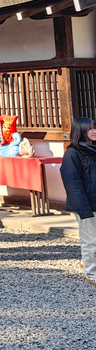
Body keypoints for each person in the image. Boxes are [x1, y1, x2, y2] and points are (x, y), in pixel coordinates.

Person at [61, 117, 96, 287]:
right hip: (86, 203)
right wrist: (83, 209)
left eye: (94, 128)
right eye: (89, 129)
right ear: (80, 131)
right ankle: (92, 272)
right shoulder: (72, 153)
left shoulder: (93, 150)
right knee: (90, 240)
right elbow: (72, 184)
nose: (94, 131)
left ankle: (86, 261)